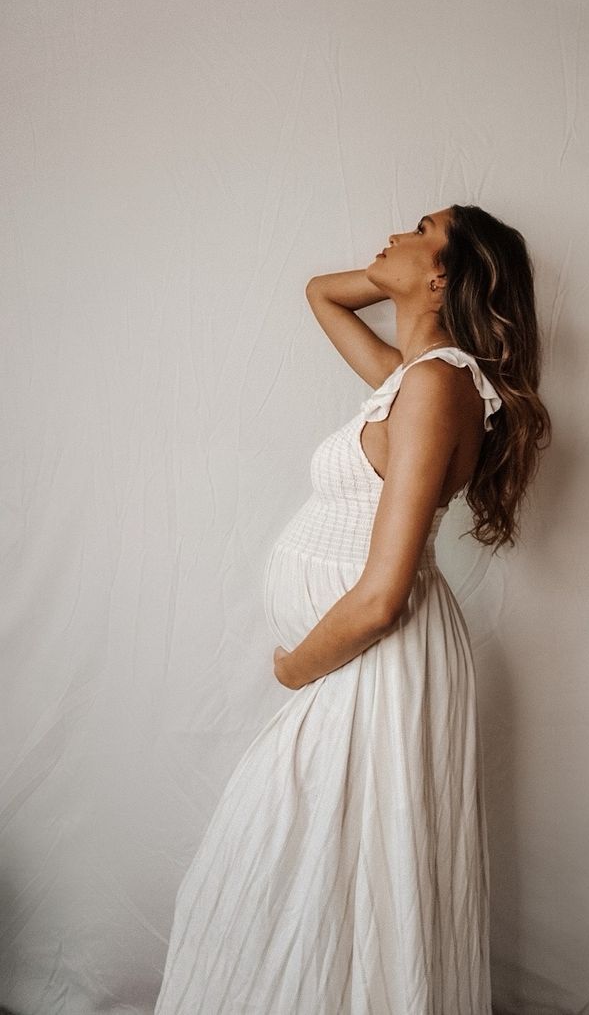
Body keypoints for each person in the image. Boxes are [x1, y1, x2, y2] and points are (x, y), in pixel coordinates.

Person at [153, 203, 551, 1014]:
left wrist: (296, 665)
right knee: (313, 871)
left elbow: (381, 594)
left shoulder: (438, 384)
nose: (394, 235)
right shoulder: (412, 379)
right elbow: (319, 292)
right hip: (366, 662)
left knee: (325, 869)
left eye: (420, 228)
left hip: (376, 657)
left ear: (443, 273)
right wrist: (391, 276)